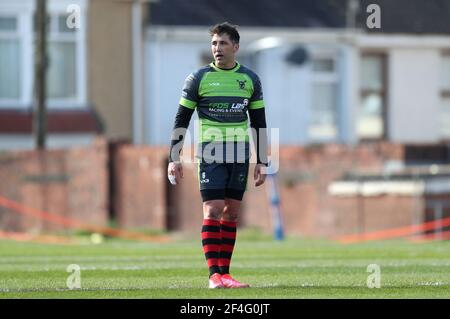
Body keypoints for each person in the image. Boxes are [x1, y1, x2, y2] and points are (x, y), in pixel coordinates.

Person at [167, 22, 268, 289]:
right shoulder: (198, 79)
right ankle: (214, 275)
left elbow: (259, 122)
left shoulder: (250, 80)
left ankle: (225, 274)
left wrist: (263, 161)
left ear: (235, 47)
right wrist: (174, 157)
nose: (217, 48)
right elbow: (181, 119)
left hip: (240, 152)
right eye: (213, 43)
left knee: (232, 214)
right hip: (211, 152)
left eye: (222, 43)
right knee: (212, 210)